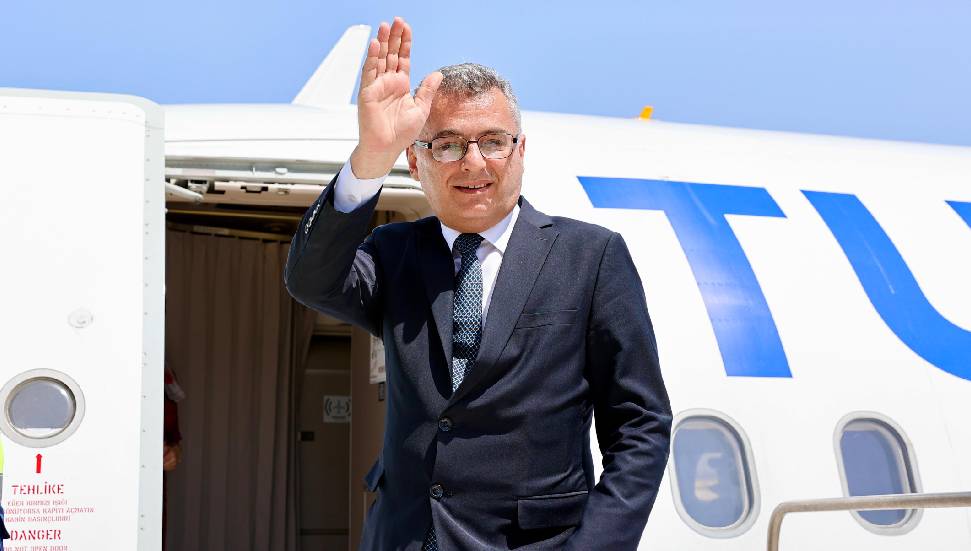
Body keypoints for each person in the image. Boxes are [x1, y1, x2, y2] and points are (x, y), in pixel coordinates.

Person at [285, 16, 671, 551]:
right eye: (446, 145)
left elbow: (640, 425)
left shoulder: (590, 257)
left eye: (492, 142)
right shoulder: (393, 252)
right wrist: (370, 156)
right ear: (415, 162)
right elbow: (311, 280)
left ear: (520, 151)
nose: (473, 163)